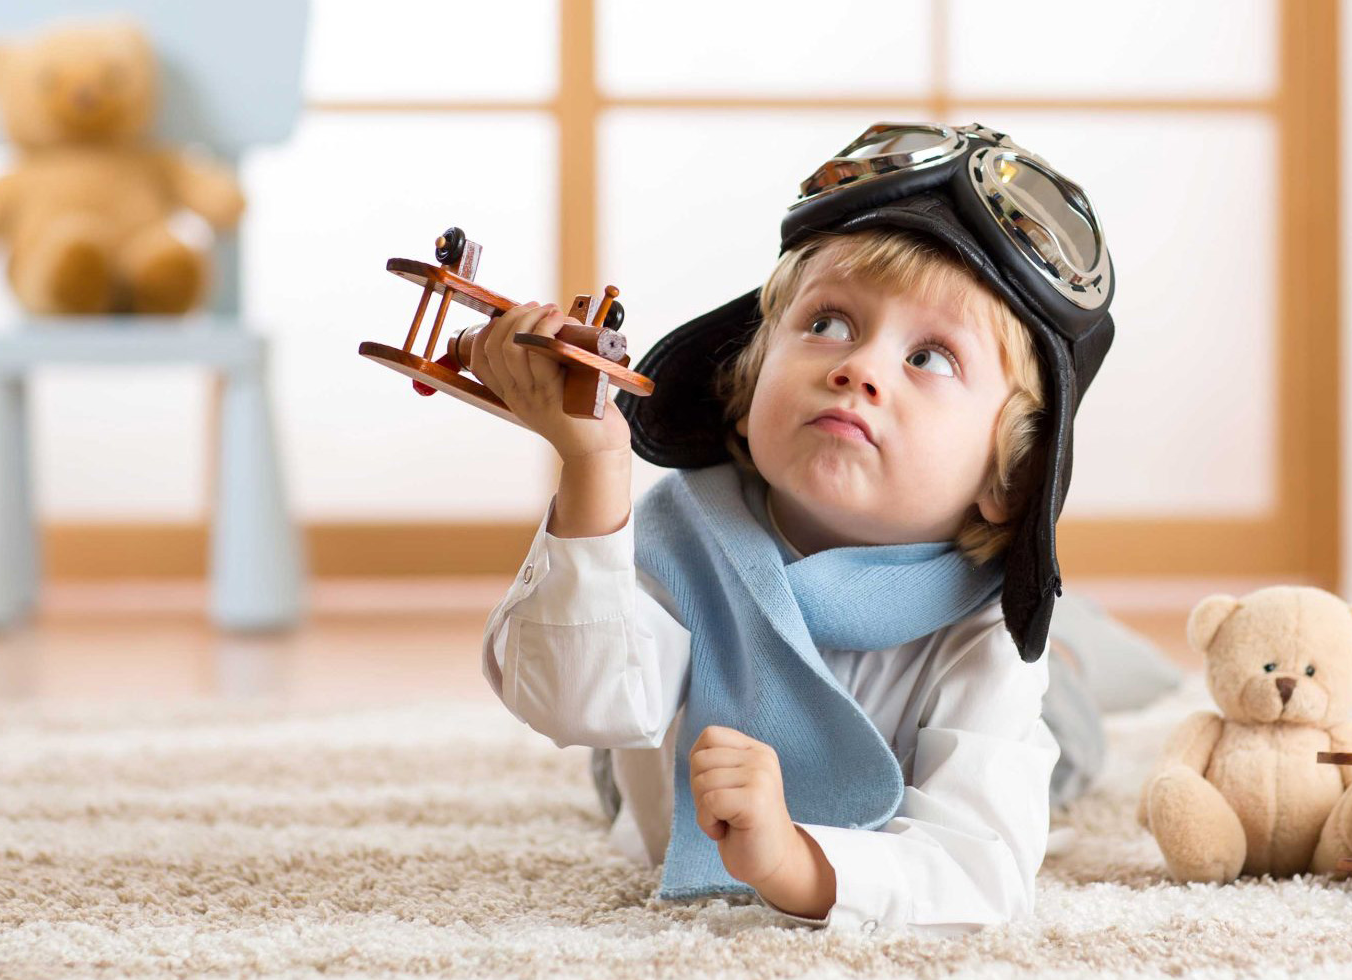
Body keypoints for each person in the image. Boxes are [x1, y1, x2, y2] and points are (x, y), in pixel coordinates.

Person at [468, 123, 1144, 935]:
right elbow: (575, 704)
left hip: (1002, 677)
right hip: (662, 769)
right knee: (617, 757)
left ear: (1008, 478)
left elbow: (980, 870)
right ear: (747, 383)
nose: (856, 367)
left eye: (930, 358)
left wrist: (794, 861)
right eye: (828, 323)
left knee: (1061, 745)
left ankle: (1072, 645)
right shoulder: (675, 537)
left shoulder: (985, 635)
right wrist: (593, 468)